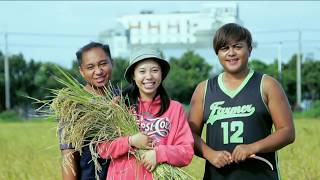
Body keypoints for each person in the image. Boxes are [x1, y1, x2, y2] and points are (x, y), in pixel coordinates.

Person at [188, 23, 295, 180]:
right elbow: (189, 134)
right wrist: (210, 154)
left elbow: (287, 132)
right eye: (224, 48)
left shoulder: (267, 85)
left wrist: (253, 147)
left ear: (249, 50)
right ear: (217, 53)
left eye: (237, 47)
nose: (231, 53)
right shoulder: (204, 89)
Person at [97, 48, 194, 179]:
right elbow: (103, 148)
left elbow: (186, 152)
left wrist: (159, 154)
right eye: (142, 71)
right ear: (133, 75)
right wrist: (130, 141)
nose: (149, 76)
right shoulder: (119, 106)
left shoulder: (175, 109)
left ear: (161, 74)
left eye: (154, 70)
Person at [59, 42, 113, 180]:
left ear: (112, 63)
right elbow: (68, 155)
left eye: (103, 64)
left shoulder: (124, 98)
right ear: (82, 71)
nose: (98, 71)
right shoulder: (73, 106)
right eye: (90, 67)